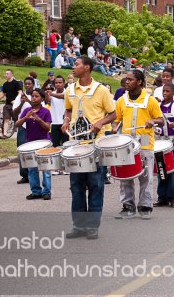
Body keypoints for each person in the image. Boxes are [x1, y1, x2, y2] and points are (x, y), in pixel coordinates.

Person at [61, 56, 116, 240]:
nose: (73, 67)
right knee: (76, 187)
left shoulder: (101, 90)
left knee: (95, 186)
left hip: (96, 145)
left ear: (87, 68)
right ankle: (79, 226)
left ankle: (92, 226)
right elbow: (68, 109)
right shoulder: (70, 89)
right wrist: (66, 120)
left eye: (76, 64)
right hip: (77, 146)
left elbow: (113, 113)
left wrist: (100, 122)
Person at [112, 69, 164, 219]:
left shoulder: (150, 100)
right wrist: (115, 127)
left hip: (145, 141)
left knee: (146, 176)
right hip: (126, 142)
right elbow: (117, 118)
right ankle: (127, 205)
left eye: (130, 79)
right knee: (126, 175)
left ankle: (145, 206)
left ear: (139, 82)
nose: (126, 82)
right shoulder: (122, 100)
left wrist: (152, 121)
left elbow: (160, 119)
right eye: (126, 79)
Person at [16, 88, 53, 200]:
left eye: (37, 96)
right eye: (32, 96)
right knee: (32, 169)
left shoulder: (46, 111)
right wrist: (26, 117)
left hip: (44, 143)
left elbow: (47, 128)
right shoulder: (27, 110)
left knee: (45, 168)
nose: (34, 98)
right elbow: (17, 124)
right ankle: (36, 191)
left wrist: (38, 119)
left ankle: (47, 191)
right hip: (30, 143)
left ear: (42, 98)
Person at [13, 77, 35, 184]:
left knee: (33, 150)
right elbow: (15, 113)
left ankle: (33, 173)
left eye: (29, 84)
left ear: (33, 84)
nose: (27, 86)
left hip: (34, 126)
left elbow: (38, 107)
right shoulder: (19, 97)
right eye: (25, 84)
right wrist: (22, 103)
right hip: (23, 126)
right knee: (21, 150)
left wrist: (29, 100)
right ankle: (24, 174)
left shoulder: (36, 95)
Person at [0, 69, 22, 139]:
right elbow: (4, 94)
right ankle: (4, 134)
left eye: (7, 73)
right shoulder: (5, 84)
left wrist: (16, 100)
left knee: (16, 120)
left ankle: (20, 133)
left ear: (11, 75)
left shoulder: (16, 83)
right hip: (7, 104)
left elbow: (20, 92)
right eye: (5, 73)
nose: (6, 75)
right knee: (6, 119)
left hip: (15, 105)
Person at [47, 75, 68, 148]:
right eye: (56, 83)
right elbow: (47, 101)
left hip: (66, 123)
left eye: (60, 82)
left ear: (64, 83)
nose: (58, 84)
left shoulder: (67, 92)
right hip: (55, 123)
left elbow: (63, 96)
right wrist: (47, 94)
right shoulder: (52, 93)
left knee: (66, 146)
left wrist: (52, 94)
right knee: (55, 147)